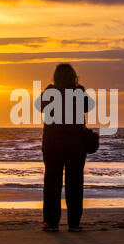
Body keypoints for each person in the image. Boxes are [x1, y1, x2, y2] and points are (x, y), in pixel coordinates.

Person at [35, 63, 94, 232]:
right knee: (74, 183)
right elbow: (89, 107)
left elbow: (38, 106)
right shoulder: (78, 91)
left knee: (52, 182)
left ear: (55, 77)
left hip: (52, 144)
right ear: (73, 77)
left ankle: (51, 222)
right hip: (75, 145)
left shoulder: (50, 91)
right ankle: (74, 223)